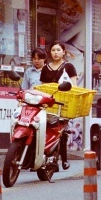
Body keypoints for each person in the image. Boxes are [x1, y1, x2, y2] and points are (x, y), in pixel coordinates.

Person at [39, 41, 78, 171]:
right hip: (48, 103)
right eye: (53, 50)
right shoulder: (45, 68)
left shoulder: (69, 67)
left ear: (63, 52)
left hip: (63, 103)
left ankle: (64, 158)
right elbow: (43, 87)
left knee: (61, 131)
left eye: (58, 50)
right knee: (44, 128)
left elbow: (74, 86)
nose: (56, 53)